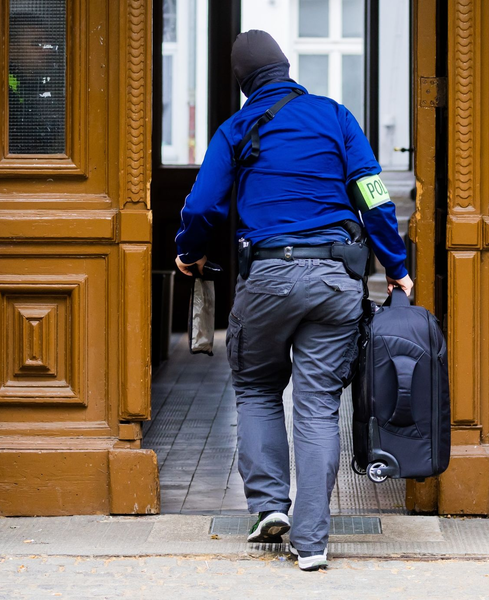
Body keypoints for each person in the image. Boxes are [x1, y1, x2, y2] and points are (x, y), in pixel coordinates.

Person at [174, 30, 412, 571]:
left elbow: (204, 203)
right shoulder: (334, 115)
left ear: (242, 84)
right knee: (317, 406)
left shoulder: (237, 128)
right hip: (335, 281)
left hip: (268, 279)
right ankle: (313, 542)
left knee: (258, 388)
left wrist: (187, 252)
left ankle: (267, 508)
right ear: (286, 69)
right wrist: (396, 268)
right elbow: (372, 192)